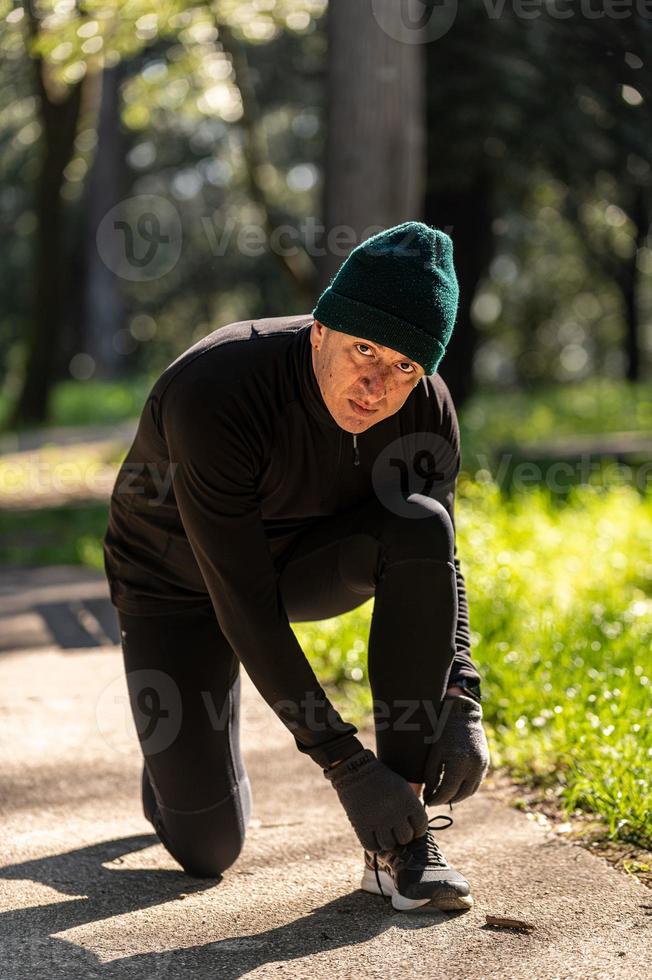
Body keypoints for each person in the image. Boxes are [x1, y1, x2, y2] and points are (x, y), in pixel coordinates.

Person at [103, 220, 490, 913]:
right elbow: (243, 598)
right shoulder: (217, 387)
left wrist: (462, 693)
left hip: (307, 562)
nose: (376, 385)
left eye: (405, 366)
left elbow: (441, 559)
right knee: (207, 851)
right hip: (177, 581)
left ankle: (398, 845)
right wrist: (343, 763)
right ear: (320, 331)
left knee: (420, 523)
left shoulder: (425, 411)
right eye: (364, 350)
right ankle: (177, 766)